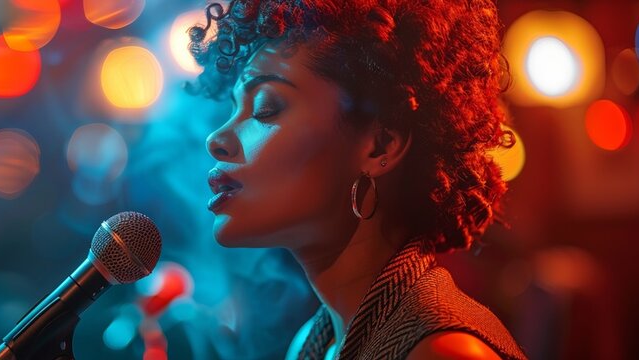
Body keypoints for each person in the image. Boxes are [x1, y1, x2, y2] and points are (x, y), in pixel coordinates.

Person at [189, 0, 528, 359]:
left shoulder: (443, 352)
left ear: (380, 145)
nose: (216, 138)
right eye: (232, 109)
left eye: (265, 108)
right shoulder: (314, 344)